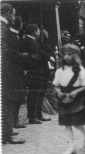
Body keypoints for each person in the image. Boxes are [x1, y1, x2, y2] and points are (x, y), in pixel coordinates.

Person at [53, 43, 85, 154]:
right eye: (64, 54)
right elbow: (55, 84)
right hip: (64, 97)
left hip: (77, 98)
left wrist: (76, 91)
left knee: (77, 123)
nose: (66, 57)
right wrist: (58, 92)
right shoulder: (60, 70)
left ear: (75, 56)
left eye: (69, 54)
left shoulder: (80, 70)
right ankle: (71, 146)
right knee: (66, 123)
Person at [1, 3, 25, 144]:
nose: (14, 17)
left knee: (7, 102)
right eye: (13, 14)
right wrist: (19, 56)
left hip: (6, 71)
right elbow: (4, 50)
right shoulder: (3, 27)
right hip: (7, 72)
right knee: (7, 102)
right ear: (9, 13)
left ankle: (7, 132)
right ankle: (6, 135)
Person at [22, 24, 54, 124]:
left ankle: (38, 115)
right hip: (33, 71)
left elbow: (39, 52)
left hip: (38, 71)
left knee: (38, 93)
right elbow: (36, 54)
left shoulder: (33, 41)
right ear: (34, 31)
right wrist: (48, 57)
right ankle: (32, 116)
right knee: (34, 94)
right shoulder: (28, 41)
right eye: (38, 30)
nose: (39, 32)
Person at [9, 15, 27, 129]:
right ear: (20, 25)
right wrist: (23, 56)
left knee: (18, 97)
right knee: (16, 97)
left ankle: (14, 121)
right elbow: (14, 54)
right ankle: (13, 122)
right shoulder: (13, 37)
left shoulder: (15, 36)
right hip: (15, 72)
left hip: (17, 71)